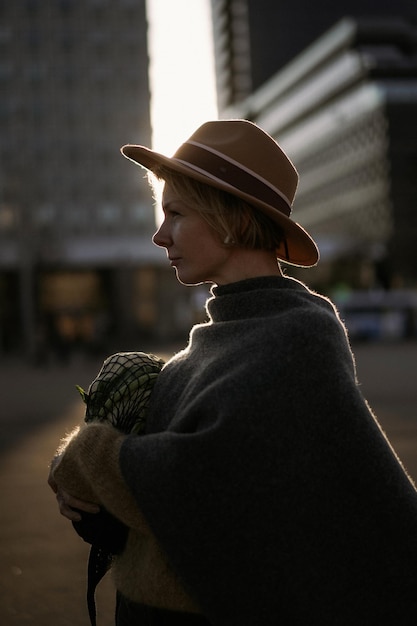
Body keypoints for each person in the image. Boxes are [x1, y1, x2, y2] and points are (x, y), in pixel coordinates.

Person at [48, 119, 417, 625]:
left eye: (175, 214)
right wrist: (98, 513)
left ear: (230, 218)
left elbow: (201, 488)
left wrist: (86, 456)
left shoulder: (298, 341)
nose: (160, 236)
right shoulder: (198, 350)